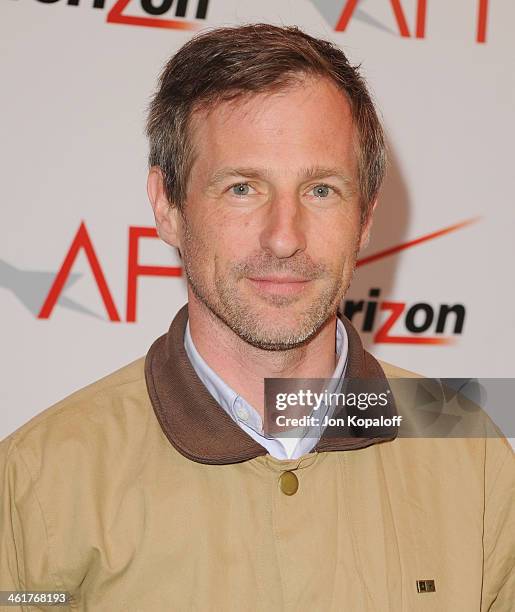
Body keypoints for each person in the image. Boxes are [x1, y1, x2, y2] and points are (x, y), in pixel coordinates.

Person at [1, 23, 513, 612]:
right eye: (243, 188)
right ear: (167, 207)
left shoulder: (468, 453)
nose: (284, 238)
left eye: (321, 190)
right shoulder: (39, 476)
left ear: (366, 216)